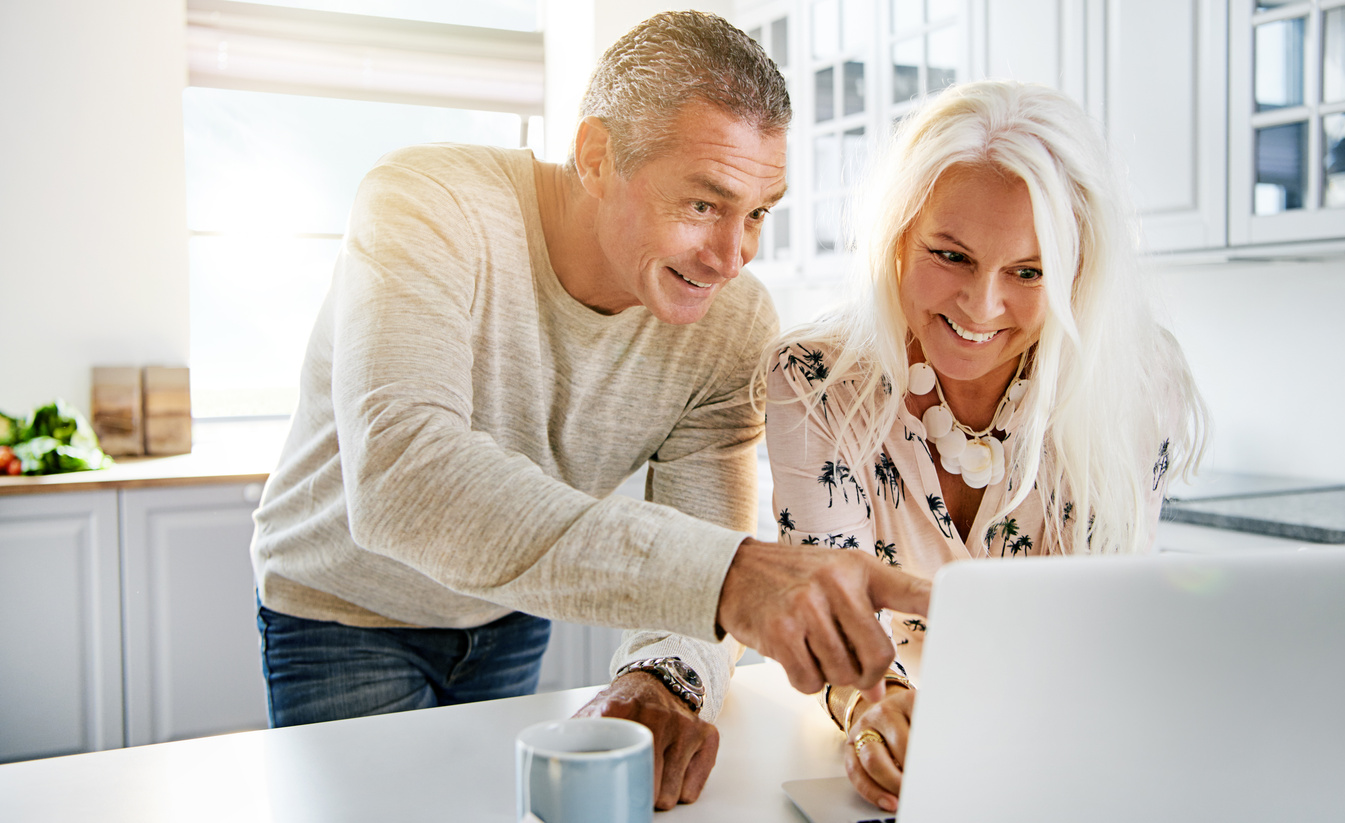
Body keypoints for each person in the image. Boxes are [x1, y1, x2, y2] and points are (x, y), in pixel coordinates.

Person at [248, 10, 930, 811]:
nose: (732, 255)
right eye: (704, 204)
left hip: (509, 609)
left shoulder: (733, 321)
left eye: (757, 212)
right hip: (343, 611)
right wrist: (733, 575)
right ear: (597, 155)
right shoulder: (427, 205)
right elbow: (402, 477)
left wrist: (663, 676)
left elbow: (703, 537)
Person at [763, 80, 1209, 813]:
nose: (981, 305)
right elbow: (831, 619)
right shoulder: (815, 379)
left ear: (1077, 273)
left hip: (1059, 756)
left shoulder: (1134, 381)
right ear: (898, 235)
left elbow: (1104, 623)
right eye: (951, 255)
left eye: (1028, 272)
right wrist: (877, 715)